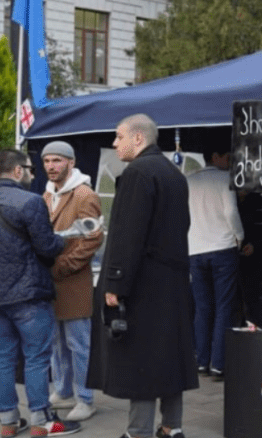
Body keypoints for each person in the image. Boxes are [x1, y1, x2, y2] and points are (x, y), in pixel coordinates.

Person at [87, 114, 199, 438]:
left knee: (143, 359)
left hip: (143, 284)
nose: (114, 143)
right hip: (172, 281)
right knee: (170, 356)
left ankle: (138, 432)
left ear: (138, 139)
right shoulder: (174, 174)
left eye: (119, 136)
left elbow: (127, 233)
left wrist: (115, 283)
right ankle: (172, 427)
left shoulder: (138, 172)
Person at [0, 149, 81, 437]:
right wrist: (62, 241)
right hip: (28, 294)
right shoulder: (30, 202)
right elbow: (47, 249)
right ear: (18, 171)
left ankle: (8, 422)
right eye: (30, 168)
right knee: (37, 358)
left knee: (2, 357)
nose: (32, 173)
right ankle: (43, 423)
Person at [41, 140, 104, 421]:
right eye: (47, 161)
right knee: (56, 341)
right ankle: (65, 390)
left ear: (71, 162)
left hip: (74, 280)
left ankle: (86, 398)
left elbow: (94, 237)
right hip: (51, 282)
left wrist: (65, 265)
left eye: (57, 160)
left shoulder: (84, 194)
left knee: (79, 344)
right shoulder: (47, 194)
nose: (51, 166)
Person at [188, 146, 252, 381]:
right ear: (215, 155)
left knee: (202, 307)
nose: (230, 162)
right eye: (228, 157)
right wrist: (240, 236)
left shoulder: (189, 181)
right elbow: (231, 211)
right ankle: (219, 363)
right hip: (223, 247)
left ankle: (201, 360)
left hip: (195, 248)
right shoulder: (225, 178)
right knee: (224, 306)